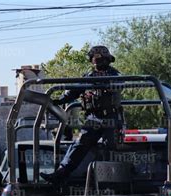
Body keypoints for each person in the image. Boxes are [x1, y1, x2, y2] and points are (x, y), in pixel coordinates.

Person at [40, 45, 123, 184]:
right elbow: (73, 91)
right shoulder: (88, 77)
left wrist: (101, 83)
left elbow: (119, 84)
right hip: (93, 118)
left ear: (107, 59)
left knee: (111, 147)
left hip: (111, 117)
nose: (97, 62)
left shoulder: (115, 74)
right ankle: (61, 173)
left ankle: (114, 180)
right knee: (79, 145)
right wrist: (59, 101)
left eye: (100, 58)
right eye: (94, 59)